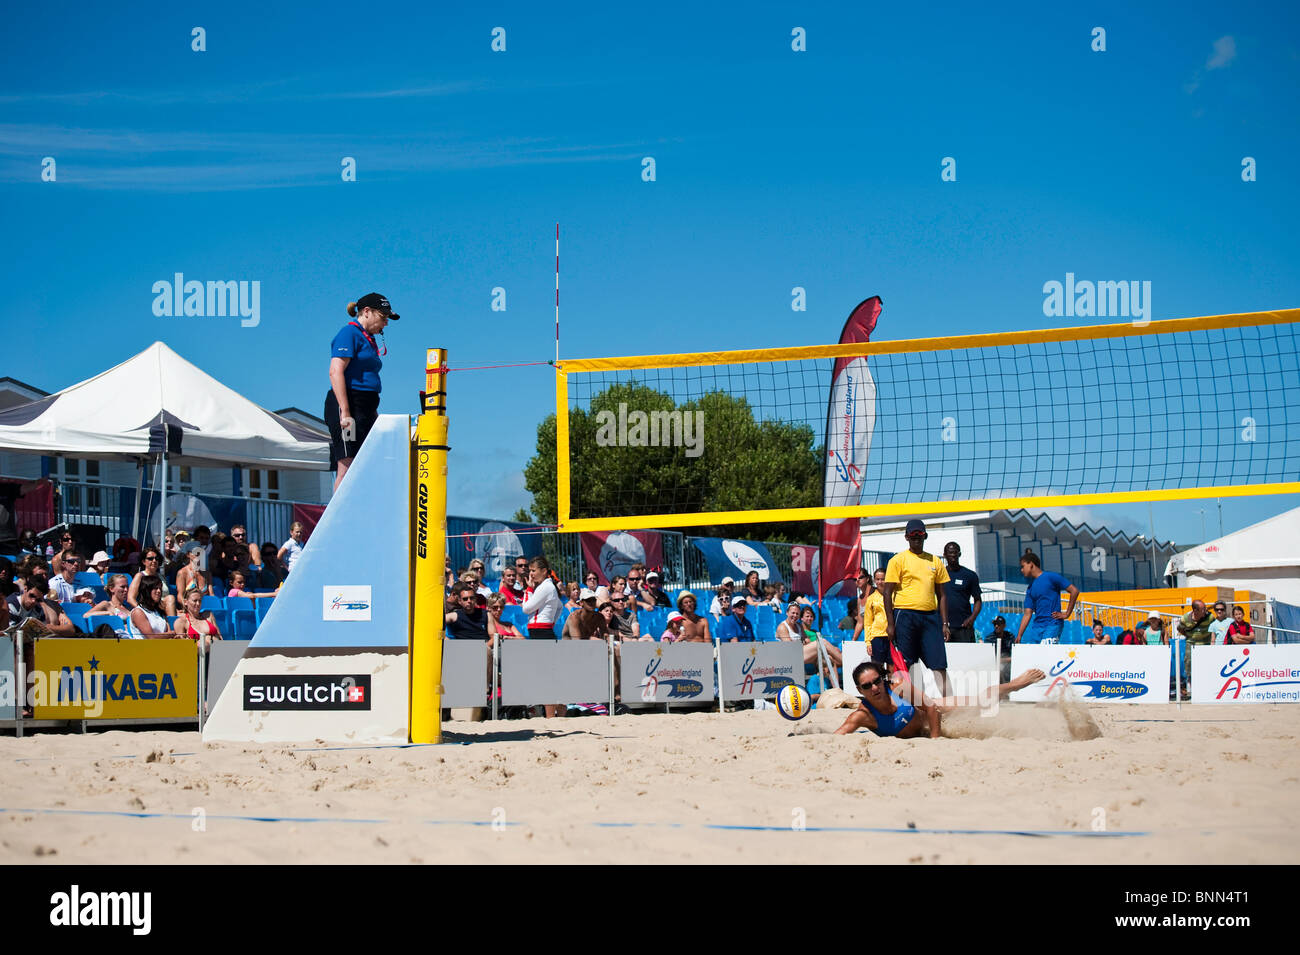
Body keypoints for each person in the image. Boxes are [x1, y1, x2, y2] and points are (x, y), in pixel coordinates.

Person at [834, 661, 1047, 738]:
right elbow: (837, 736)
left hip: (936, 713)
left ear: (883, 679)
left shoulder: (898, 688)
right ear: (859, 689)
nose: (874, 687)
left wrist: (935, 741)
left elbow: (932, 708)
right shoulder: (863, 715)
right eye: (866, 686)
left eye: (876, 681)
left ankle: (1015, 685)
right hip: (924, 728)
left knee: (982, 702)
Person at [326, 292, 399, 492]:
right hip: (348, 403)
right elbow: (335, 371)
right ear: (367, 312)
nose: (385, 324)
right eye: (383, 317)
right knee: (347, 465)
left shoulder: (369, 338)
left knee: (365, 462)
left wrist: (373, 414)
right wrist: (346, 412)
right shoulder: (349, 334)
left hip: (366, 407)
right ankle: (340, 520)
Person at [881, 519, 953, 696]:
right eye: (913, 536)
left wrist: (945, 623)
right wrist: (890, 624)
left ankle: (951, 703)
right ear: (907, 537)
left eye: (920, 535)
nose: (917, 539)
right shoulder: (898, 560)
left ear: (925, 536)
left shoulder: (935, 561)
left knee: (939, 665)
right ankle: (913, 705)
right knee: (908, 665)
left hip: (930, 617)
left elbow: (942, 595)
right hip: (905, 616)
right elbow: (887, 593)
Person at [521, 556, 565, 717]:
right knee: (547, 675)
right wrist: (551, 622)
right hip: (542, 631)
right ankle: (557, 711)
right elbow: (560, 607)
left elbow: (526, 608)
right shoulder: (548, 586)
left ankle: (551, 715)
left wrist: (528, 589)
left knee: (546, 676)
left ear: (544, 571)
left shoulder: (544, 587)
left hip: (541, 633)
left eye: (533, 570)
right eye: (530, 570)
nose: (531, 574)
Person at [1014, 551, 1079, 646]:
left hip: (1052, 624)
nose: (1021, 570)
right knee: (1036, 658)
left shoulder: (1051, 577)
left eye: (1022, 566)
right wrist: (1019, 635)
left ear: (1031, 564)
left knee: (1047, 654)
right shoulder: (1030, 588)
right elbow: (1027, 614)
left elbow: (1074, 591)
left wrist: (1067, 614)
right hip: (1037, 628)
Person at [941, 542, 982, 643]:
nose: (953, 555)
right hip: (943, 627)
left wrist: (972, 618)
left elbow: (978, 600)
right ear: (944, 555)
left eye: (955, 552)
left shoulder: (970, 575)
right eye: (950, 552)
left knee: (966, 658)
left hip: (963, 627)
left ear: (959, 554)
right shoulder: (938, 575)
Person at [851, 568, 890, 665]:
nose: (858, 580)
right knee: (877, 667)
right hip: (875, 635)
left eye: (861, 577)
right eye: (855, 579)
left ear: (868, 578)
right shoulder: (861, 598)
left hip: (889, 635)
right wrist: (854, 641)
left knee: (891, 667)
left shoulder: (877, 592)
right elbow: (862, 622)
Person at [129, 547, 176, 615]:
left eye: (156, 559)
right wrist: (144, 611)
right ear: (143, 561)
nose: (154, 561)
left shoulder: (162, 577)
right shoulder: (140, 576)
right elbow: (130, 599)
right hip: (148, 609)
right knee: (170, 598)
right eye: (150, 559)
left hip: (163, 608)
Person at [173, 587, 223, 652]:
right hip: (197, 657)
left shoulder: (208, 615)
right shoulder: (181, 622)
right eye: (195, 601)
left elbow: (220, 637)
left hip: (216, 654)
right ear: (185, 602)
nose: (198, 604)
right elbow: (183, 648)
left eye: (200, 601)